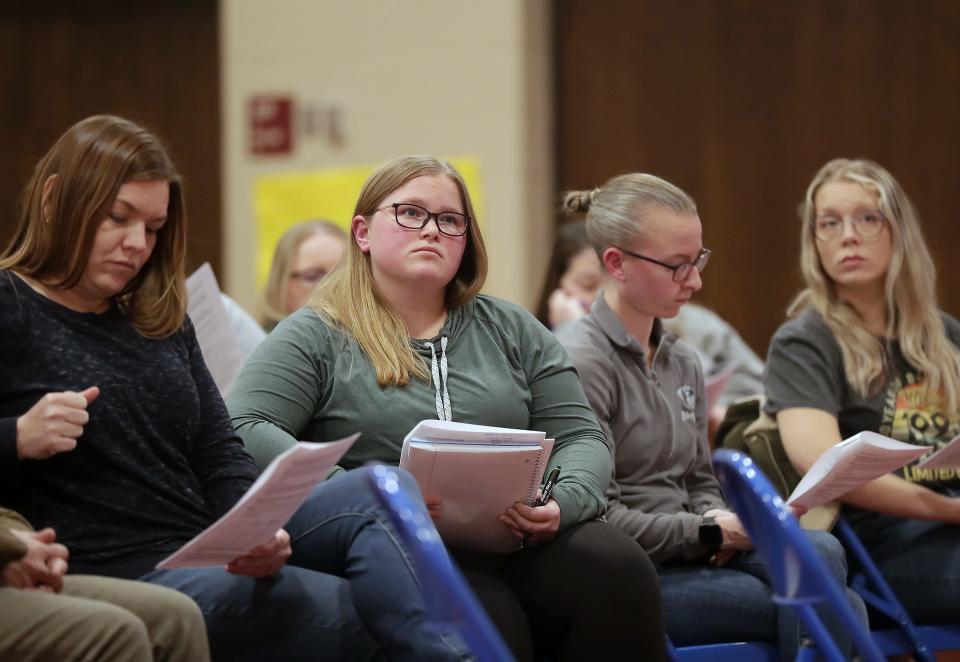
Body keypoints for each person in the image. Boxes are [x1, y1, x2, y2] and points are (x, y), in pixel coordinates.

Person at [0, 115, 469, 661]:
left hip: (204, 540)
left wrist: (257, 529)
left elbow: (218, 451)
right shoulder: (11, 305)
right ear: (56, 199)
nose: (135, 244)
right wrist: (17, 434)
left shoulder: (159, 319)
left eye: (152, 228)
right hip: (117, 569)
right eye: (117, 218)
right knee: (369, 619)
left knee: (380, 489)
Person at [227, 155, 665, 662]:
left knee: (617, 566)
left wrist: (562, 503)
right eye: (411, 213)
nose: (431, 231)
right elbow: (245, 425)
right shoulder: (319, 332)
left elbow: (580, 437)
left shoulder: (511, 327)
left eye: (450, 221)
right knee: (487, 617)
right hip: (403, 544)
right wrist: (364, 494)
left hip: (518, 534)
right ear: (363, 232)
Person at [554, 173, 867, 658]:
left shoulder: (682, 359)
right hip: (635, 572)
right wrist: (710, 531)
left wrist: (715, 517)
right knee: (838, 604)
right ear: (616, 264)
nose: (695, 281)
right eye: (677, 266)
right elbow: (595, 517)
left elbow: (699, 477)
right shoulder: (581, 360)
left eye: (698, 259)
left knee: (824, 553)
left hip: (696, 546)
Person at [764, 158, 960, 626]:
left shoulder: (944, 335)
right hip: (876, 551)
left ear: (898, 231)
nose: (847, 236)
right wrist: (950, 511)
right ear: (814, 242)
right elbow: (826, 467)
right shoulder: (805, 341)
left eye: (866, 218)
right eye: (828, 223)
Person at [1, 506, 209, 661]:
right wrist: (14, 550)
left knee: (174, 615)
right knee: (113, 632)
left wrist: (30, 543)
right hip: (113, 555)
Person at [259, 219, 346, 330]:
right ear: (280, 284)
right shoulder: (259, 343)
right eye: (313, 276)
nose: (332, 286)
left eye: (342, 275)